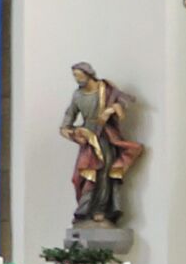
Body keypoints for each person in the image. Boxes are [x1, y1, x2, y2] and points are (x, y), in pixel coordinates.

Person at [59, 62, 142, 230]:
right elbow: (67, 122)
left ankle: (101, 209)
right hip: (88, 137)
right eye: (74, 75)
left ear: (88, 73)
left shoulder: (106, 89)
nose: (76, 78)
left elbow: (123, 107)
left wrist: (111, 110)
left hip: (105, 136)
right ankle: (84, 210)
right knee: (83, 175)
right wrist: (73, 134)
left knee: (103, 172)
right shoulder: (78, 96)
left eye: (78, 74)